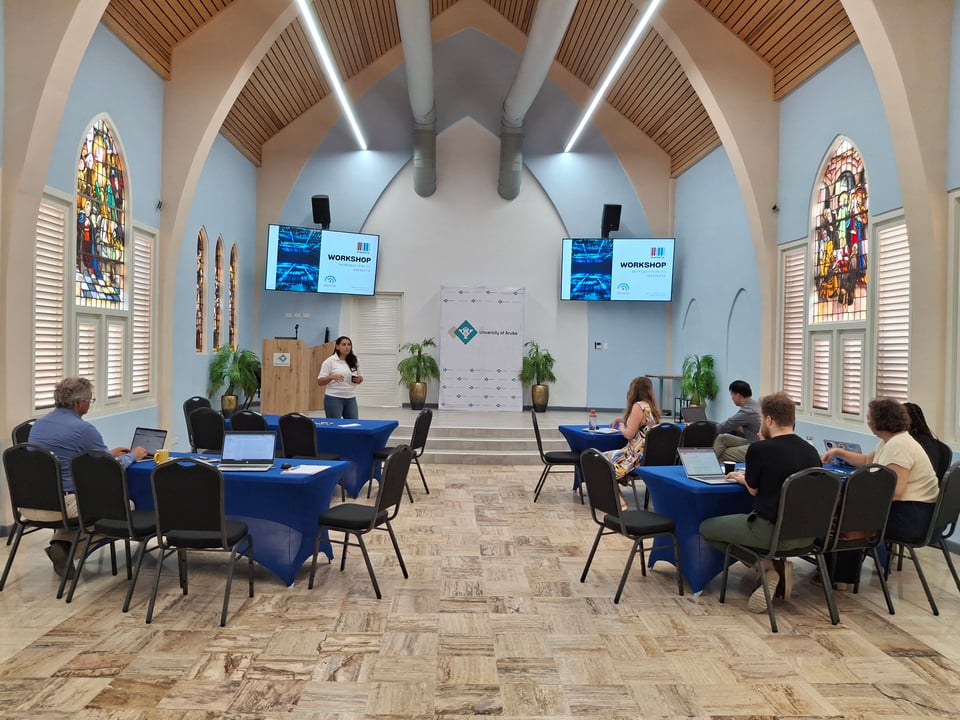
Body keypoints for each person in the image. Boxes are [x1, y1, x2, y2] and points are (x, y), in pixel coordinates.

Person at [700, 392, 822, 613]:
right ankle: (774, 566)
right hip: (807, 536)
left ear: (769, 420)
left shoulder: (760, 449)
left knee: (705, 528)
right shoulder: (812, 452)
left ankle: (766, 567)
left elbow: (754, 489)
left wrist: (742, 478)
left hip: (770, 532)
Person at [27, 376, 147, 578]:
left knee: (89, 507)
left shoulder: (39, 424)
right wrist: (132, 456)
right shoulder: (83, 429)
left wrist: (109, 453)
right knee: (126, 506)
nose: (90, 403)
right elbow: (109, 468)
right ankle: (70, 549)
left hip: (31, 502)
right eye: (90, 400)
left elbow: (71, 456)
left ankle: (61, 544)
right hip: (65, 503)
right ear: (79, 402)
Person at [821, 398, 939, 588]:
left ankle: (839, 575)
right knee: (846, 510)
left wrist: (856, 499)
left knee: (844, 515)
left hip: (910, 517)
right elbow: (867, 460)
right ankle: (838, 573)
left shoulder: (899, 446)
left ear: (879, 421)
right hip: (911, 511)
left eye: (869, 417)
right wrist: (838, 452)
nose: (867, 421)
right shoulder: (892, 441)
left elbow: (895, 491)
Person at [602, 376, 661, 503]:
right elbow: (643, 424)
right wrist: (622, 419)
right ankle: (619, 486)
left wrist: (621, 427)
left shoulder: (638, 406)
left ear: (634, 390)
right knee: (607, 458)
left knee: (601, 460)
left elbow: (629, 434)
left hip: (634, 455)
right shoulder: (650, 407)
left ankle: (618, 502)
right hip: (647, 455)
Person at [712, 380, 761, 462]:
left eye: (732, 395)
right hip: (752, 440)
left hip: (756, 447)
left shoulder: (747, 411)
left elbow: (725, 426)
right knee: (723, 438)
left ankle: (707, 468)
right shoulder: (755, 405)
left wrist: (705, 429)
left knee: (723, 453)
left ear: (738, 395)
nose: (732, 398)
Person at [903, 401, 952, 481]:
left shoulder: (924, 442)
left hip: (921, 486)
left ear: (911, 420)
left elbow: (926, 473)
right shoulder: (900, 440)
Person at [317, 336, 364, 419]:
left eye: (349, 345)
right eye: (344, 344)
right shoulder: (330, 361)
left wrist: (359, 379)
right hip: (333, 398)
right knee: (335, 426)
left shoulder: (355, 360)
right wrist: (331, 377)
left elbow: (361, 377)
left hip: (350, 398)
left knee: (353, 425)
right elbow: (320, 382)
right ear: (337, 347)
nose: (347, 347)